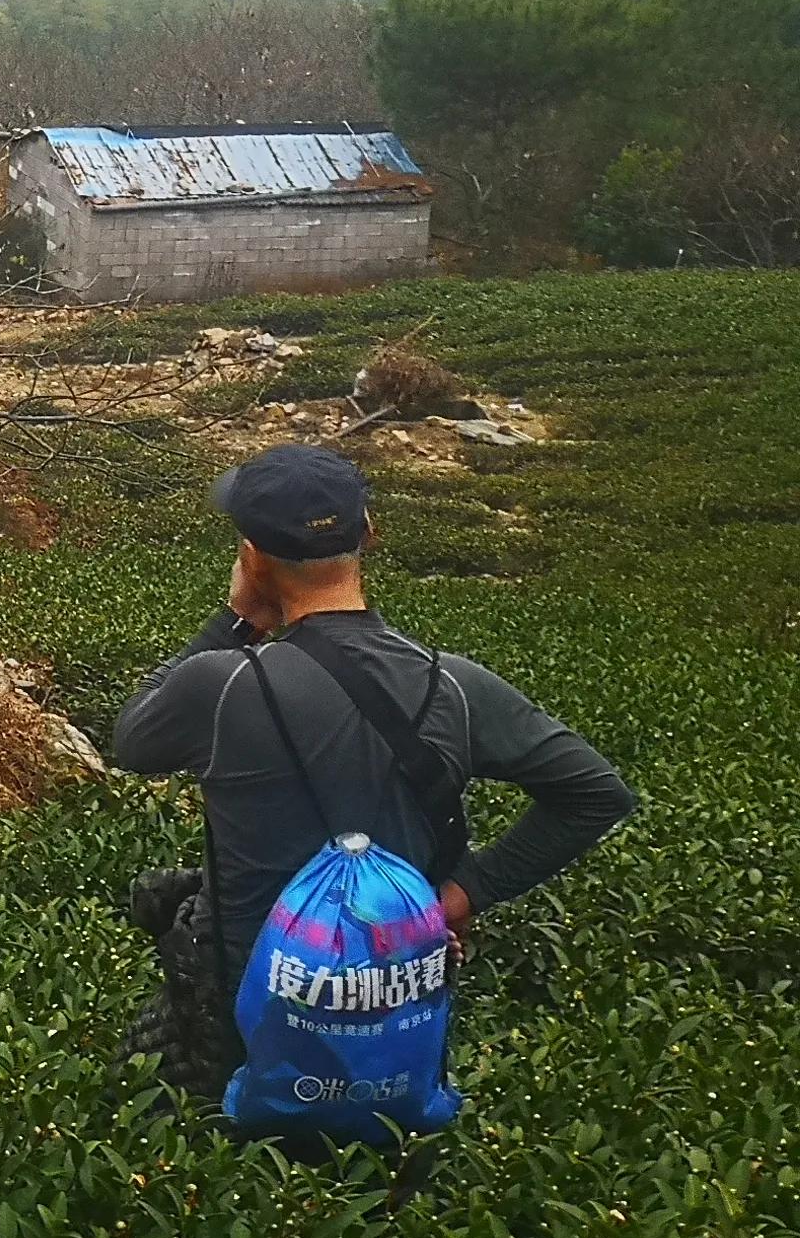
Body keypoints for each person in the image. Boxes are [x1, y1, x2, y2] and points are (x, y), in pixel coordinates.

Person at [113, 444, 640, 1118]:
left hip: (241, 1000)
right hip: (393, 1000)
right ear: (371, 533)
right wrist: (462, 894)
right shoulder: (452, 682)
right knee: (383, 1169)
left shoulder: (222, 684)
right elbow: (596, 793)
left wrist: (239, 620)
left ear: (252, 555)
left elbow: (132, 738)